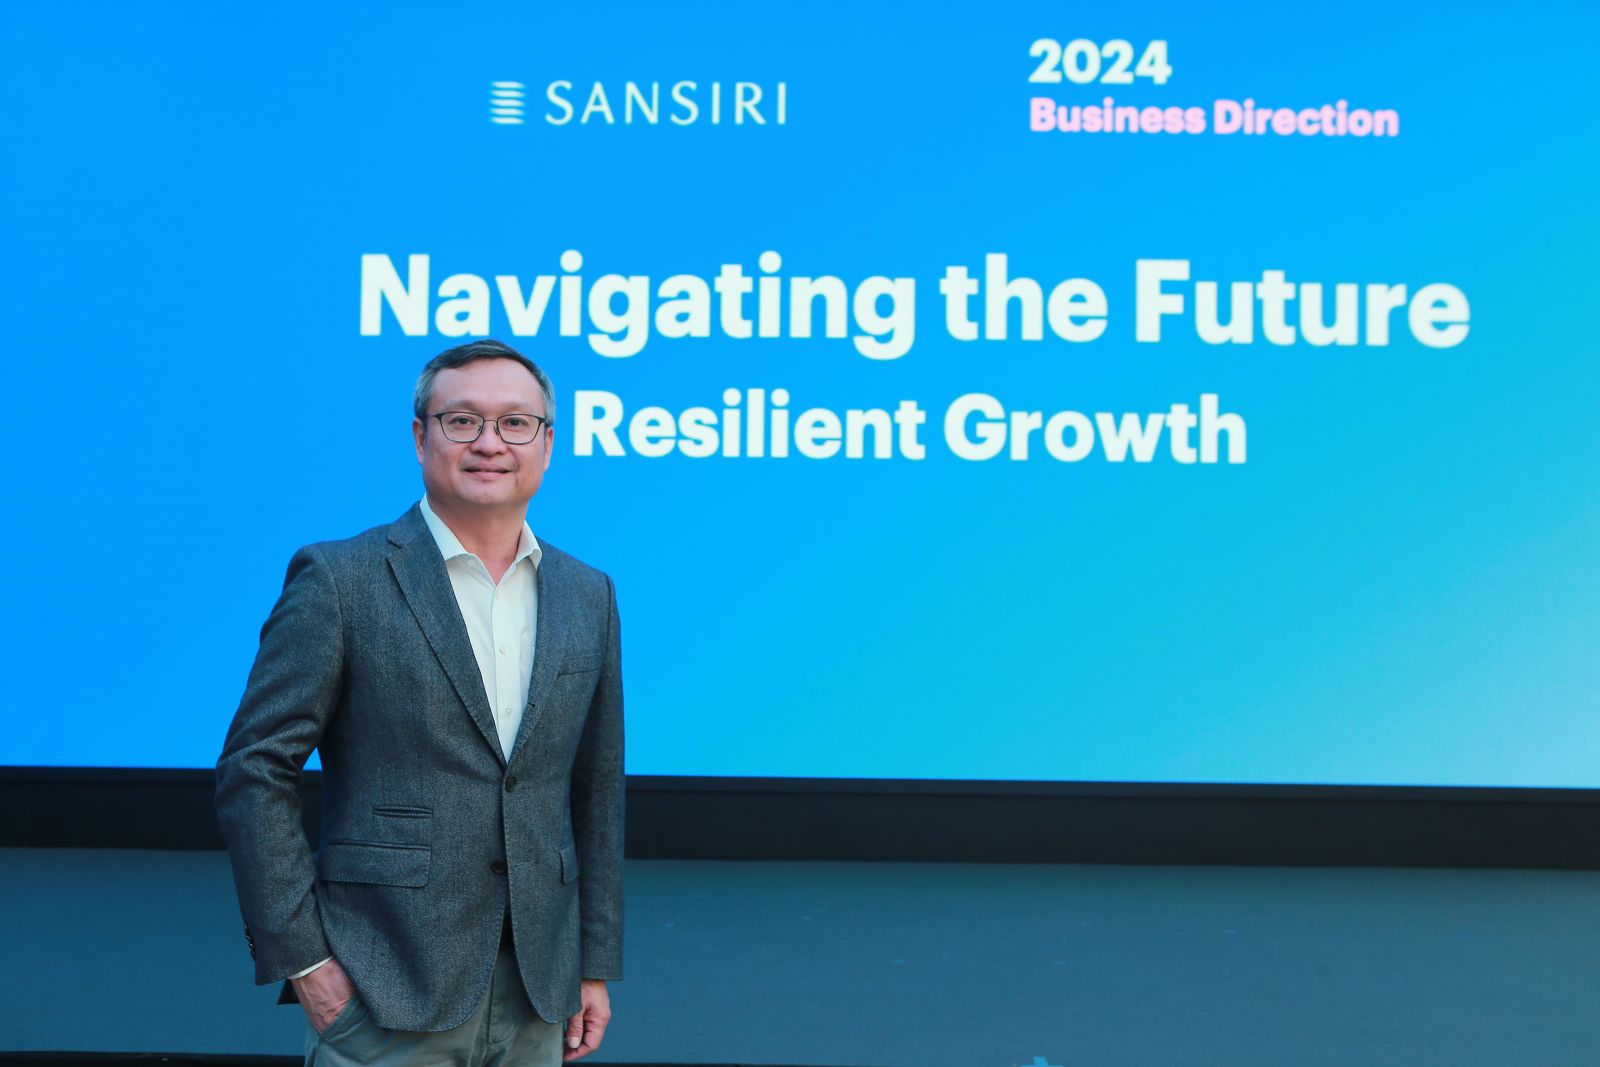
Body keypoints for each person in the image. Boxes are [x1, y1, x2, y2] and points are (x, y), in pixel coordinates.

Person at [215, 340, 624, 1066]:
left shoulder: (587, 593)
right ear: (420, 437)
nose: (490, 443)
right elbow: (255, 769)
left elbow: (593, 790)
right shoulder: (340, 579)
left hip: (541, 990)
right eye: (462, 421)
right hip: (383, 986)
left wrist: (592, 962)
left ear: (547, 443)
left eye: (516, 422)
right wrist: (305, 961)